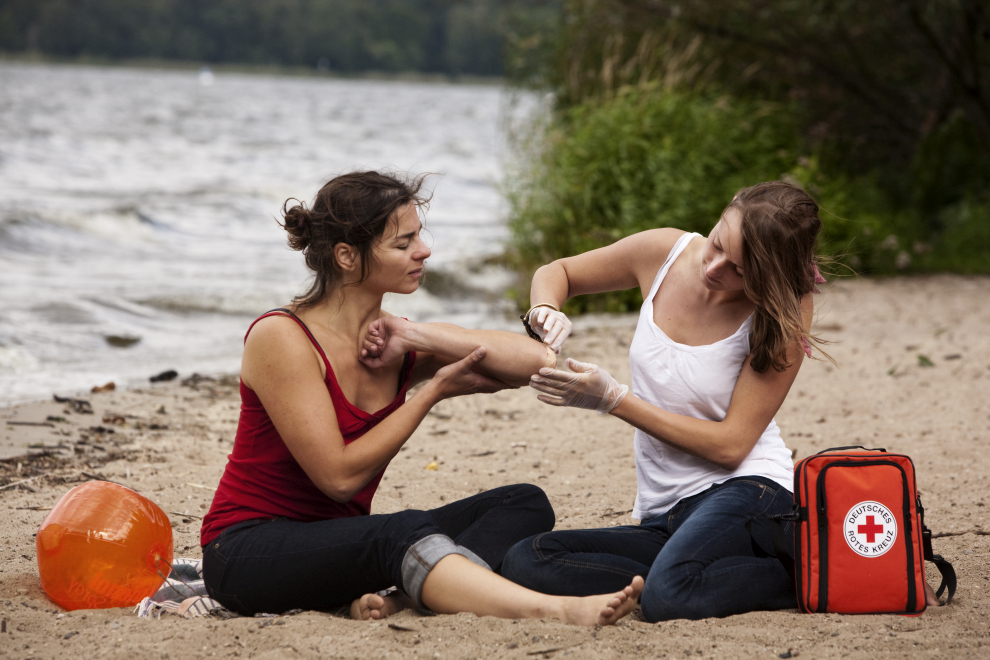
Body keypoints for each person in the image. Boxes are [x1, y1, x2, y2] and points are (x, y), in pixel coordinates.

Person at [200, 171, 643, 626]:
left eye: (419, 237)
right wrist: (430, 392)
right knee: (402, 531)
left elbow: (539, 361)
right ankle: (555, 610)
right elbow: (338, 477)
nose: (423, 251)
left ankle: (403, 601)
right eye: (403, 243)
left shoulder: (393, 341)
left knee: (522, 503)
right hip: (244, 552)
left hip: (341, 546)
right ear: (347, 256)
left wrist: (415, 333)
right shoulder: (283, 337)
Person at [497, 181, 833, 622]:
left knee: (671, 597)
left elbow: (731, 446)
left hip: (749, 490)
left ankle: (813, 569)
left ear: (770, 276)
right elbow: (557, 272)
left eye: (740, 270)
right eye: (717, 244)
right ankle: (679, 574)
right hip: (665, 512)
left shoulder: (783, 308)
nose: (714, 268)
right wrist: (546, 310)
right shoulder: (665, 251)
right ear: (721, 215)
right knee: (528, 559)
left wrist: (613, 399)